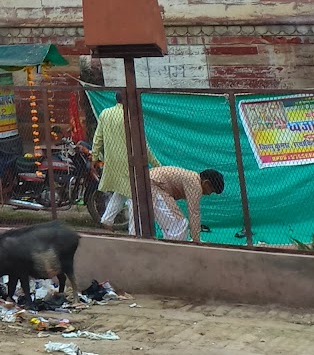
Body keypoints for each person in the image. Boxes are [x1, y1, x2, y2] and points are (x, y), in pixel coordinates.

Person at [90, 94, 159, 234]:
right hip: (130, 162)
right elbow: (143, 145)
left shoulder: (105, 113)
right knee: (134, 197)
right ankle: (134, 232)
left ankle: (107, 220)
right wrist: (157, 165)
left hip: (113, 162)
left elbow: (98, 138)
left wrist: (94, 158)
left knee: (121, 192)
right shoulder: (131, 117)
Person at [149, 166, 224, 243]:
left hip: (147, 182)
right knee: (179, 224)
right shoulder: (195, 185)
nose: (209, 194)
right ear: (206, 183)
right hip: (154, 185)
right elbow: (194, 212)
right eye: (211, 191)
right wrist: (197, 240)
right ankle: (174, 251)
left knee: (144, 222)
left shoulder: (192, 178)